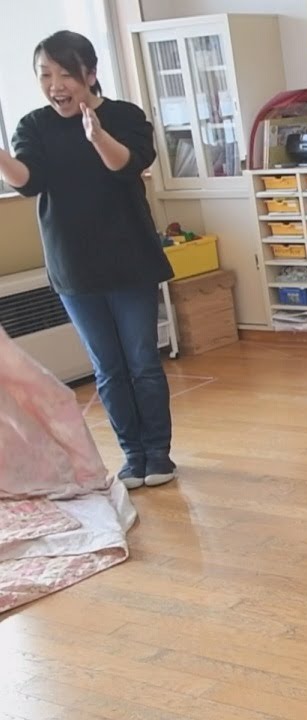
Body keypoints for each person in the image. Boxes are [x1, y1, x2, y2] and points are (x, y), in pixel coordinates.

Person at [0, 30, 175, 489]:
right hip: (73, 264)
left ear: (90, 74)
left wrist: (96, 136)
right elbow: (29, 181)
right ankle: (132, 456)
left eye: (64, 74)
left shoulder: (125, 116)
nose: (54, 84)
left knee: (142, 362)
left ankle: (159, 454)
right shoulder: (33, 125)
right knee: (108, 367)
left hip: (131, 258)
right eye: (45, 74)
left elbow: (127, 164)